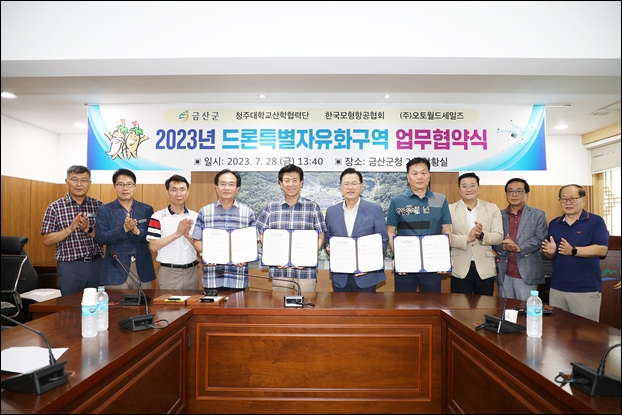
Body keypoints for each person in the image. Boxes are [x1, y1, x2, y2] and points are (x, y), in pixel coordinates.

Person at [541, 184, 609, 322]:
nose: (568, 203)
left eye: (572, 199)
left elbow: (602, 250)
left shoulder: (595, 221)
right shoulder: (554, 223)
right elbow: (551, 255)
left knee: (586, 332)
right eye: (564, 199)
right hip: (557, 288)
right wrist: (550, 252)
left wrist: (573, 250)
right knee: (557, 331)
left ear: (583, 200)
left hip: (585, 289)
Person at [256, 164, 327, 293]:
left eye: (295, 180)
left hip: (306, 271)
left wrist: (307, 258)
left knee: (307, 304)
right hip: (280, 270)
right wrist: (274, 256)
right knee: (280, 304)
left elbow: (321, 237)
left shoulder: (312, 207)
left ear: (301, 182)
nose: (291, 184)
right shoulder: (271, 207)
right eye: (287, 180)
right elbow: (262, 234)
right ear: (281, 183)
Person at [386, 157, 452, 292]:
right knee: (404, 302)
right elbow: (390, 231)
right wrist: (398, 256)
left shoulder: (440, 200)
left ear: (429, 175)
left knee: (433, 303)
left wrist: (444, 257)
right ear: (408, 177)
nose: (419, 177)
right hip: (406, 264)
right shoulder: (397, 200)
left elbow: (446, 229)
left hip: (433, 263)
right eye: (415, 173)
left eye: (423, 173)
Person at [41, 165, 104, 295]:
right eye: (74, 179)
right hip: (70, 267)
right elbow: (47, 240)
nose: (79, 184)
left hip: (96, 265)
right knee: (69, 305)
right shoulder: (55, 208)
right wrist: (70, 229)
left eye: (84, 180)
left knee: (98, 303)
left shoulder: (99, 206)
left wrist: (88, 229)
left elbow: (104, 237)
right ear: (67, 181)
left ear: (89, 183)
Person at [324, 168, 389, 292]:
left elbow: (383, 241)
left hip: (366, 276)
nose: (350, 187)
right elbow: (328, 239)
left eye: (354, 183)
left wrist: (369, 265)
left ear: (361, 186)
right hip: (341, 276)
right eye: (346, 184)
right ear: (341, 187)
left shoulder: (374, 210)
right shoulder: (331, 212)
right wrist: (328, 247)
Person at [192, 169, 256, 291]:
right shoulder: (204, 212)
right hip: (212, 278)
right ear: (216, 187)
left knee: (239, 304)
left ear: (237, 188)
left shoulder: (248, 213)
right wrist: (207, 253)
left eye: (231, 184)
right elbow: (196, 240)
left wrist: (245, 257)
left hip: (238, 278)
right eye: (223, 184)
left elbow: (252, 244)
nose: (227, 188)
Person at [95, 168, 156, 289]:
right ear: (114, 187)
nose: (125, 188)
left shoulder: (147, 209)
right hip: (115, 269)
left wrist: (137, 232)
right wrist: (123, 229)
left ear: (135, 187)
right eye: (120, 184)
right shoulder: (104, 210)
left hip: (142, 269)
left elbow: (151, 237)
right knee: (116, 302)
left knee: (145, 301)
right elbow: (100, 238)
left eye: (129, 184)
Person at [449, 172, 503, 296]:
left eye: (472, 185)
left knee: (485, 306)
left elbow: (499, 236)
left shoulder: (492, 208)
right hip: (459, 268)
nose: (469, 189)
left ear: (479, 188)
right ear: (459, 190)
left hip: (485, 269)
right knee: (459, 306)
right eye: (464, 186)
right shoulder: (450, 209)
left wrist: (482, 235)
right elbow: (446, 237)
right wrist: (467, 238)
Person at [493, 178, 548, 300]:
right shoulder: (498, 215)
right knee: (505, 308)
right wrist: (503, 246)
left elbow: (540, 238)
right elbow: (493, 238)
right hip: (504, 272)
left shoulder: (538, 214)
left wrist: (519, 248)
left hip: (527, 272)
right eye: (510, 191)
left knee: (526, 308)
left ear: (527, 195)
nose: (514, 194)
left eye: (519, 191)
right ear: (506, 195)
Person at [146, 174, 199, 290]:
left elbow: (200, 246)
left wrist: (187, 235)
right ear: (167, 193)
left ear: (188, 193)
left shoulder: (195, 216)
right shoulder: (158, 216)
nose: (178, 194)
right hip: (168, 272)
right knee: (167, 303)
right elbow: (153, 246)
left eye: (182, 190)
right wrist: (177, 234)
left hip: (191, 271)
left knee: (192, 302)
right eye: (174, 190)